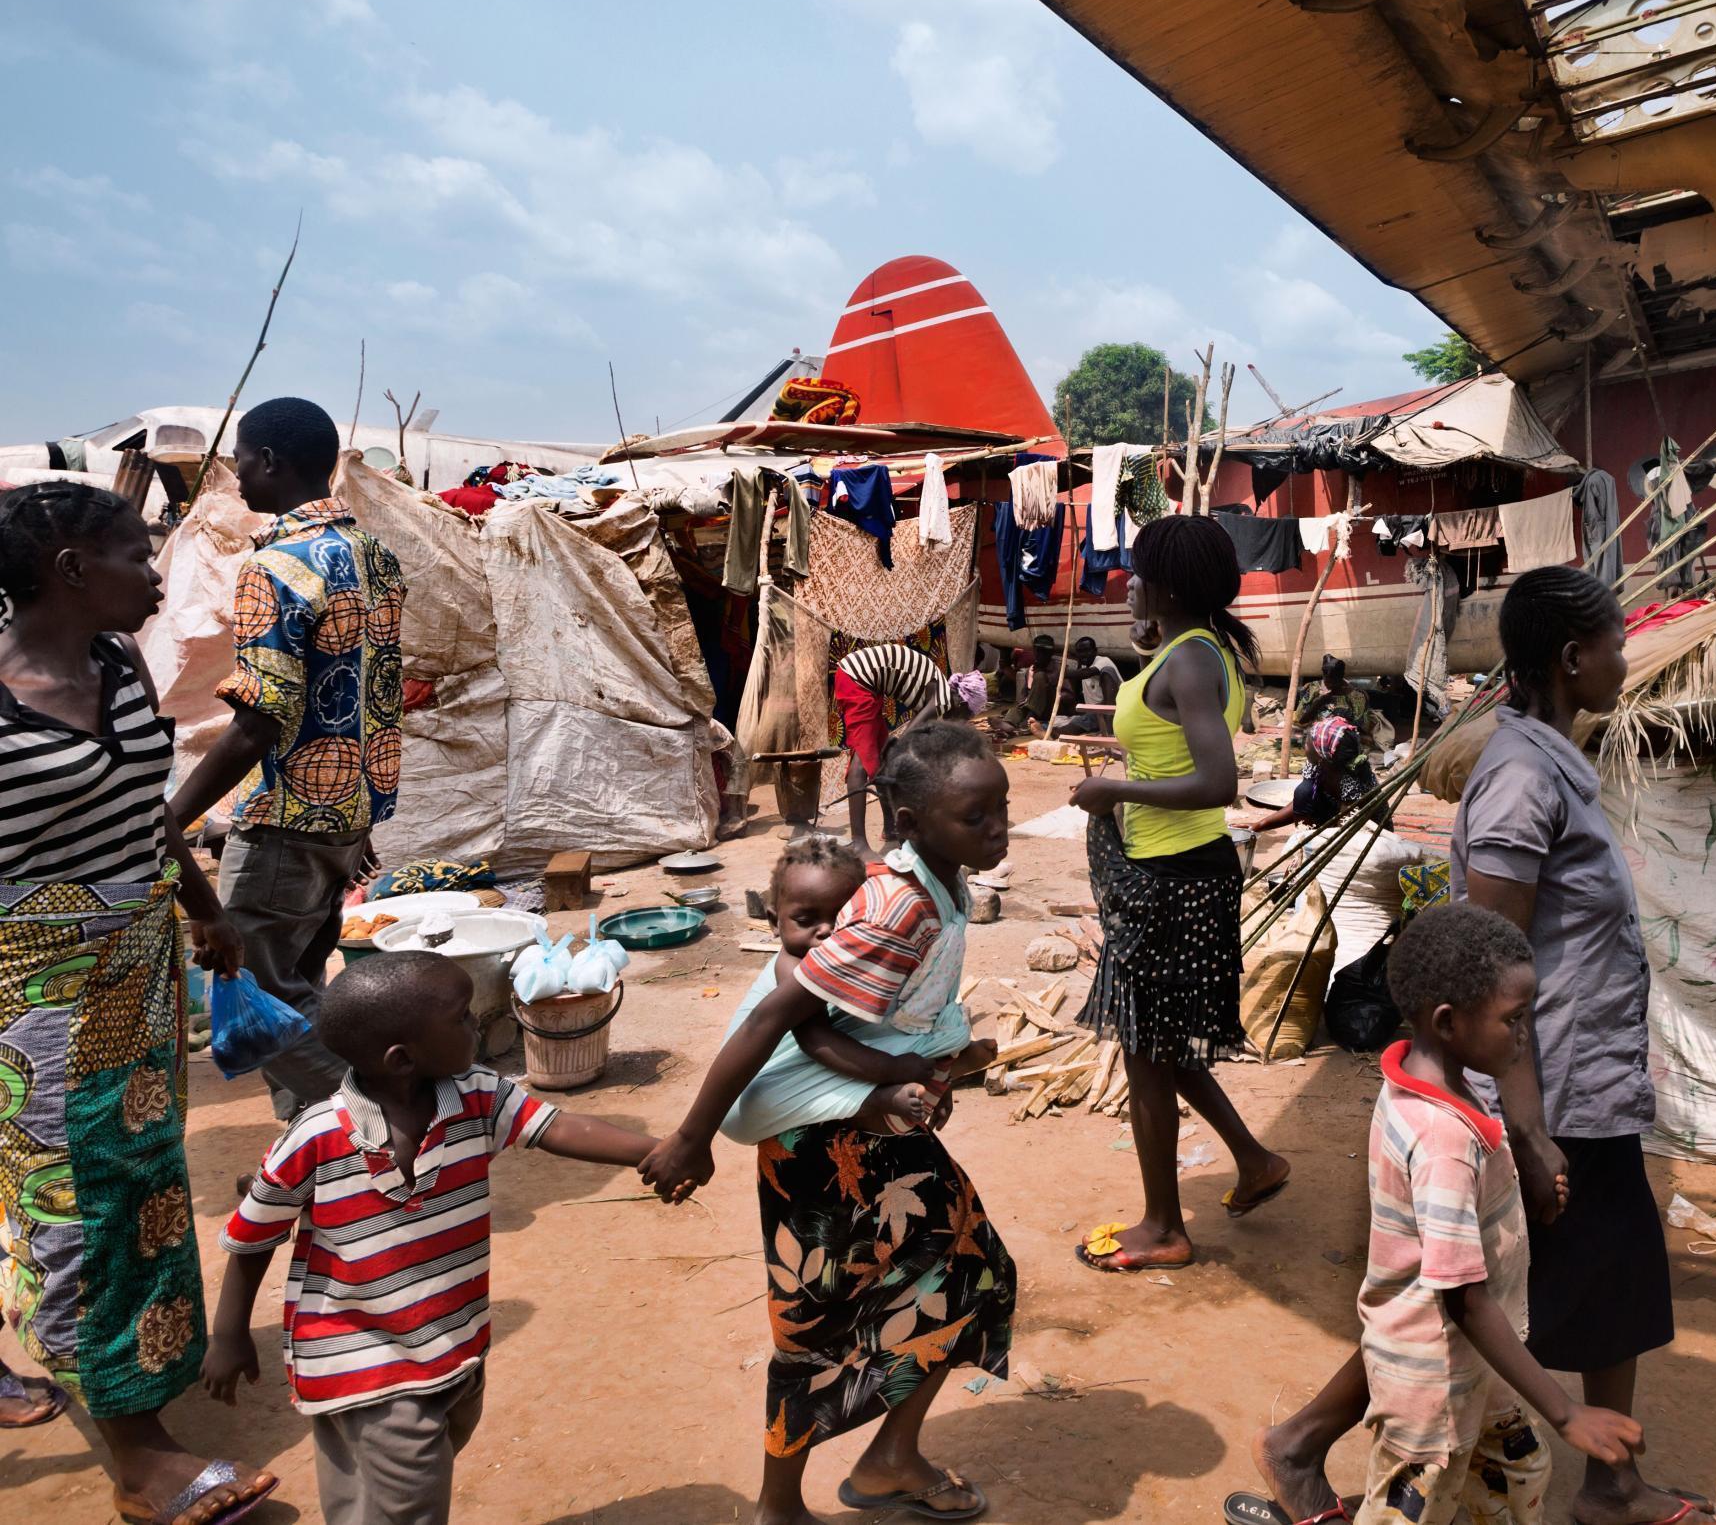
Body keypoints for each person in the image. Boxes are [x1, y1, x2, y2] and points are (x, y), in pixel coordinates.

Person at [1259, 566, 1716, 1525]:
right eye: (1614, 644)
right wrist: (1524, 1124)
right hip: (1546, 1089)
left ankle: (1610, 1483)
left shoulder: (1548, 762)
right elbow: (1483, 969)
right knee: (1473, 1289)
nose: (1624, 659)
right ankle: (1307, 1439)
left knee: (1570, 1275)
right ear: (1570, 656)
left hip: (1578, 1076)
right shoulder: (1518, 781)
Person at [642, 722, 1015, 1525]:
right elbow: (778, 1015)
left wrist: (931, 1065)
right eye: (975, 817)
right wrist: (690, 1134)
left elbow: (892, 1021)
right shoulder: (898, 907)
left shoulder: (938, 887)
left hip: (872, 1129)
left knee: (968, 1272)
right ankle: (781, 1505)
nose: (998, 830)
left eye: (1002, 810)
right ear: (911, 822)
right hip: (817, 1147)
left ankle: (890, 1459)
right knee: (814, 1326)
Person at [0, 482, 274, 1524]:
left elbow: (142, 819)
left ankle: (131, 1379)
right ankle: (135, 1454)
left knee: (144, 1190)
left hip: (136, 978)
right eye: (133, 552)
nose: (157, 573)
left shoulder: (115, 666)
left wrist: (204, 906)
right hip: (29, 1003)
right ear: (70, 570)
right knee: (68, 1205)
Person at [203, 950, 653, 1525]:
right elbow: (252, 1236)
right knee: (413, 1499)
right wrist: (229, 1333)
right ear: (402, 1058)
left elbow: (559, 1127)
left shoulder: (477, 1095)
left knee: (369, 1492)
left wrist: (657, 1151)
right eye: (462, 1017)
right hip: (361, 1355)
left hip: (455, 1344)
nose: (478, 1024)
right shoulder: (315, 1137)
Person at [1347, 903, 1643, 1525]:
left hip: (1479, 1370)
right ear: (1449, 1023)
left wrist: (1520, 1208)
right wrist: (1567, 1411)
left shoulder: (1441, 1088)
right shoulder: (1443, 1140)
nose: (1524, 1035)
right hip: (1434, 1390)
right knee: (1416, 1507)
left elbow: (1457, 1223)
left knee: (1517, 1476)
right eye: (1513, 1020)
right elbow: (1464, 1298)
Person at [170, 397, 406, 1122]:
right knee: (303, 980)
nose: (235, 476)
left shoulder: (273, 566)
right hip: (349, 814)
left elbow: (260, 717)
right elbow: (373, 691)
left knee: (253, 1000)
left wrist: (170, 817)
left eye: (240, 459)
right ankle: (315, 1158)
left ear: (270, 461)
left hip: (290, 818)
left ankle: (393, 1117)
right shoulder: (374, 554)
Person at [1070, 514, 1293, 1273]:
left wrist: (1112, 787)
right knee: (1160, 1046)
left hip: (1174, 881)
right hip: (1176, 871)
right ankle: (1255, 1161)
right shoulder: (1196, 649)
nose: (1128, 581)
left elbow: (1218, 781)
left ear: (1167, 585)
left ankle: (1164, 1225)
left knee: (1145, 1052)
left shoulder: (1192, 659)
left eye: (1138, 572)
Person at [720, 833, 976, 1144]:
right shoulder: (790, 966)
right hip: (756, 1093)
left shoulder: (862, 954)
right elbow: (816, 1041)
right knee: (759, 1103)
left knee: (905, 1020)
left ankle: (943, 1070)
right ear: (774, 922)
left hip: (828, 1063)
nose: (827, 930)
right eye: (805, 920)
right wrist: (893, 1070)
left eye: (843, 917)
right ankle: (877, 1100)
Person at [831, 640, 978, 847]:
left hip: (867, 682)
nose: (962, 721)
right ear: (962, 702)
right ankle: (859, 843)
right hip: (858, 679)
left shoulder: (936, 691)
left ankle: (891, 828)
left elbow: (916, 739)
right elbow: (908, 738)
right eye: (966, 715)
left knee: (881, 757)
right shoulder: (942, 699)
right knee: (863, 760)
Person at [1248, 713, 1379, 836]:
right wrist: (1259, 825)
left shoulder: (1351, 781)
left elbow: (1345, 829)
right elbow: (1300, 802)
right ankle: (1305, 836)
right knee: (1303, 791)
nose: (1304, 747)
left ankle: (1312, 842)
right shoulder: (1317, 765)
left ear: (1322, 756)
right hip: (1334, 815)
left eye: (1307, 744)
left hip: (1364, 831)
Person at [1047, 635, 1125, 738]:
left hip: (1114, 710)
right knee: (1078, 720)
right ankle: (1053, 732)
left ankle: (1110, 732)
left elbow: (1086, 673)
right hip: (1095, 713)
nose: (1083, 655)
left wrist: (1062, 673)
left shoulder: (1103, 662)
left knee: (1107, 672)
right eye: (1080, 651)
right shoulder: (1083, 666)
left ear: (1095, 651)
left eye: (1087, 650)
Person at [1297, 654, 1372, 737]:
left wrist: (1338, 725)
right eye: (1327, 681)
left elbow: (1363, 727)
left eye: (1334, 682)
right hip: (1317, 735)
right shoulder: (1313, 688)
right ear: (1323, 676)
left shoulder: (1357, 696)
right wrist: (1318, 703)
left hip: (1344, 737)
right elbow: (1301, 720)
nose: (1329, 685)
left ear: (1341, 677)